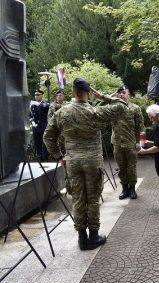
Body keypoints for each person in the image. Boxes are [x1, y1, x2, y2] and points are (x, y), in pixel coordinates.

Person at [44, 78, 128, 250]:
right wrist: (103, 96)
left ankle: (82, 239)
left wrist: (59, 156)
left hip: (73, 161)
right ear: (88, 93)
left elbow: (48, 137)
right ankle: (94, 237)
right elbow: (122, 106)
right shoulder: (94, 112)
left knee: (78, 199)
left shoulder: (62, 113)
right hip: (92, 161)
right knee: (92, 198)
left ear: (73, 92)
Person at [111, 85, 144, 200]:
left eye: (123, 92)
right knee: (121, 167)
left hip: (131, 143)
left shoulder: (135, 108)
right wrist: (111, 96)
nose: (121, 94)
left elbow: (141, 126)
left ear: (128, 94)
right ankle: (124, 189)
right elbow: (99, 106)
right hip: (117, 143)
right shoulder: (113, 107)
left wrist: (140, 142)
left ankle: (132, 189)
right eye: (119, 93)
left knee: (131, 167)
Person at [30, 89, 50, 161]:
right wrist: (32, 122)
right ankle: (39, 157)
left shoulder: (45, 104)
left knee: (45, 142)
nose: (36, 96)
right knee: (37, 142)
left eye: (38, 95)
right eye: (35, 95)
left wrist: (40, 104)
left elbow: (48, 107)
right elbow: (30, 115)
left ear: (42, 96)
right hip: (35, 127)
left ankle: (45, 158)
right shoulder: (32, 105)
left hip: (43, 126)